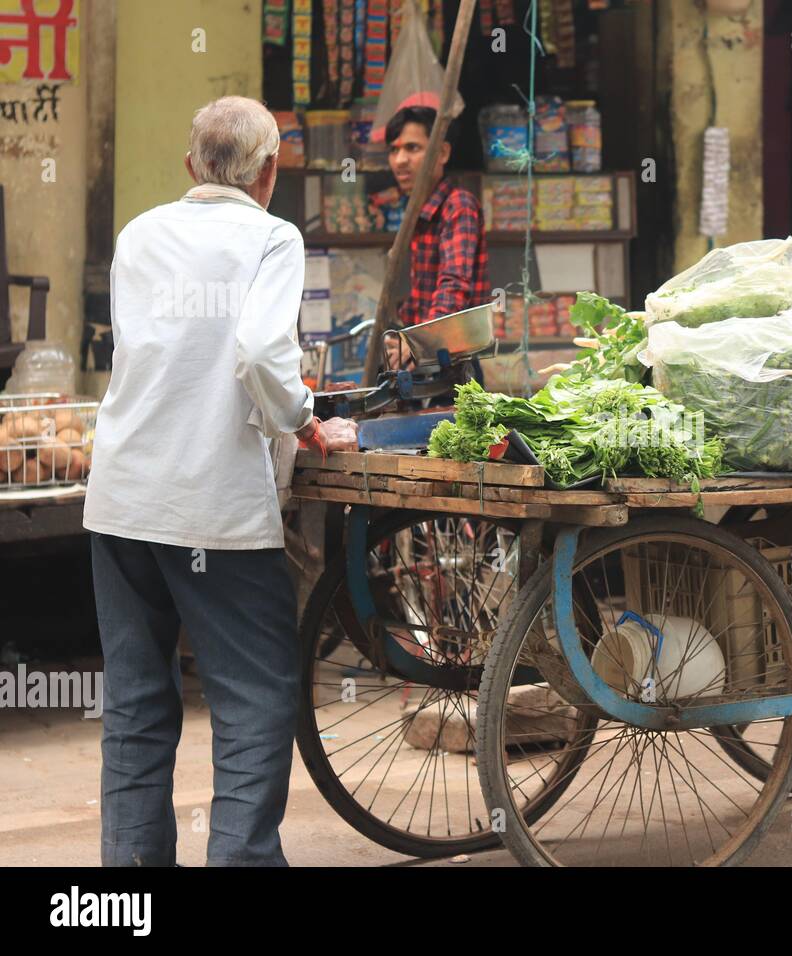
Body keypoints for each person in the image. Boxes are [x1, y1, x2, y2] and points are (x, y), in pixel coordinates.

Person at [82, 95, 357, 867]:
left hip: (123, 498)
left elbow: (159, 354)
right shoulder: (270, 238)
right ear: (271, 172)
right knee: (255, 701)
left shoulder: (140, 234)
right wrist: (307, 422)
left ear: (190, 166)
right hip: (212, 509)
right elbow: (262, 356)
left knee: (136, 707)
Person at [381, 93, 490, 372]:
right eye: (394, 150)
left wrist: (417, 343)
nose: (400, 160)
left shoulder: (458, 206)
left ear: (442, 153)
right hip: (424, 358)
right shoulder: (419, 210)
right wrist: (400, 336)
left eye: (412, 148)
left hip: (452, 363)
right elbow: (420, 296)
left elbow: (453, 287)